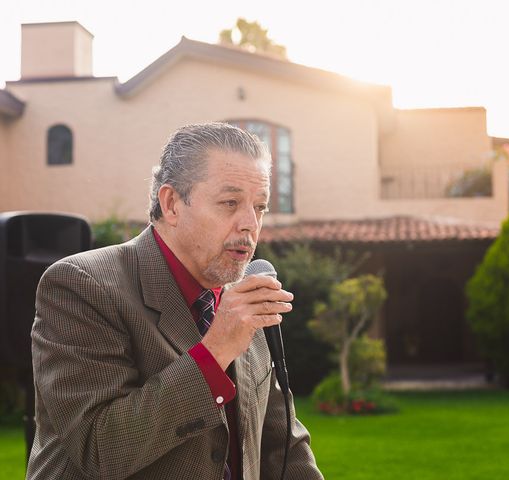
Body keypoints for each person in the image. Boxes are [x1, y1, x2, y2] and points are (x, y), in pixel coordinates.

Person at [27, 123, 324, 479]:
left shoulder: (242, 300)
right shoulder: (81, 285)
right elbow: (100, 449)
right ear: (171, 203)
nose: (250, 224)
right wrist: (214, 352)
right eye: (230, 203)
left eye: (259, 207)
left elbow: (281, 444)